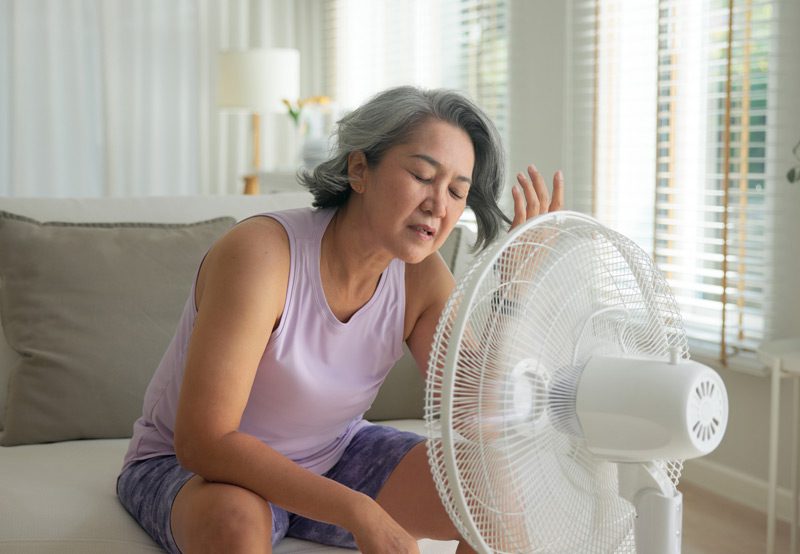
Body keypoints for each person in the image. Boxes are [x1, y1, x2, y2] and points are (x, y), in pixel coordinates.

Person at [117, 85, 564, 554]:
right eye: (420, 175)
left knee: (493, 491)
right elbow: (204, 443)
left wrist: (513, 295)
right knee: (234, 523)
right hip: (197, 470)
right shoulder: (262, 255)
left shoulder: (423, 279)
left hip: (334, 455)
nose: (439, 204)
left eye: (457, 190)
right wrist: (357, 509)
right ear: (358, 169)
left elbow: (478, 424)